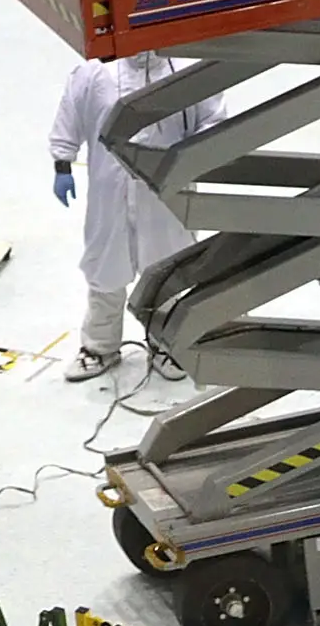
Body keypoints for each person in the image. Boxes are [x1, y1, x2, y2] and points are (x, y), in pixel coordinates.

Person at [51, 49, 224, 381]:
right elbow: (69, 115)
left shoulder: (189, 71)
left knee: (168, 270)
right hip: (109, 194)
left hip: (167, 196)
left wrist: (200, 158)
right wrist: (62, 163)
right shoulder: (95, 73)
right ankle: (99, 347)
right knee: (105, 271)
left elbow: (214, 121)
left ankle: (167, 345)